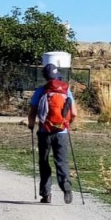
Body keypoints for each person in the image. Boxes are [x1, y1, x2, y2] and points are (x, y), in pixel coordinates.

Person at [28, 63, 76, 203]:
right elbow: (74, 113)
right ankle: (66, 188)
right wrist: (67, 124)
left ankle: (46, 194)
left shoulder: (41, 91)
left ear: (45, 76)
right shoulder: (66, 91)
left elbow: (32, 113)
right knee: (61, 161)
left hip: (45, 131)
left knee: (44, 161)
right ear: (57, 75)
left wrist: (31, 126)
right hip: (62, 132)